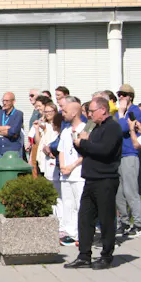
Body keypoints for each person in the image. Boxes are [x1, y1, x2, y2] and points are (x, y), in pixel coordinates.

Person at [65, 97, 122, 270]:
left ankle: (106, 256)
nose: (89, 114)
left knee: (105, 219)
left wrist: (84, 142)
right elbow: (87, 150)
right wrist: (78, 142)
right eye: (88, 111)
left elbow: (104, 150)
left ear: (103, 110)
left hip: (105, 179)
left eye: (91, 111)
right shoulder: (94, 127)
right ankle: (84, 255)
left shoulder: (113, 128)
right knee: (85, 218)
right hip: (90, 178)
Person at [50, 99, 84, 246]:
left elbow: (86, 152)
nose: (62, 114)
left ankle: (80, 233)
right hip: (65, 174)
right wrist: (63, 166)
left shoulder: (85, 128)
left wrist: (72, 166)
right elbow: (61, 150)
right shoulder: (65, 131)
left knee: (79, 203)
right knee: (68, 204)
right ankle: (69, 233)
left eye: (65, 111)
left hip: (79, 174)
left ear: (75, 112)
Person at [113, 84, 141, 237]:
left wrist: (120, 113)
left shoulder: (134, 111)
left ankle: (138, 224)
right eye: (119, 94)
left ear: (130, 96)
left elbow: (122, 128)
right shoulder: (120, 113)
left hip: (130, 153)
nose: (120, 97)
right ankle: (124, 222)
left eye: (124, 94)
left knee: (130, 190)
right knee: (118, 192)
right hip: (118, 155)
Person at [0, 92, 24, 161]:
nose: (4, 103)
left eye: (7, 101)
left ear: (13, 101)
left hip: (12, 151)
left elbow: (12, 132)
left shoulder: (18, 114)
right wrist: (5, 127)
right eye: (3, 101)